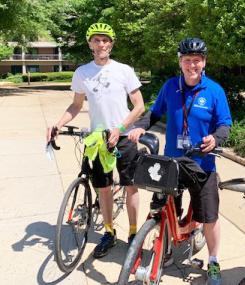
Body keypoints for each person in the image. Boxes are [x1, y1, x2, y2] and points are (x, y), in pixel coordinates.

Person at [128, 37, 231, 285]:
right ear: (180, 62)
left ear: (204, 62)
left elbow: (225, 124)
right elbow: (154, 111)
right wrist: (140, 128)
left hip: (201, 164)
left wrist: (216, 140)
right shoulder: (171, 86)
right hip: (172, 162)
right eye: (187, 60)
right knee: (162, 206)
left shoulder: (214, 90)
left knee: (209, 217)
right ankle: (165, 244)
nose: (192, 65)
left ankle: (214, 260)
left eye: (197, 60)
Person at [46, 23, 145, 258]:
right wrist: (58, 124)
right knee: (103, 188)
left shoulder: (124, 70)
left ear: (111, 43)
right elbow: (76, 105)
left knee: (131, 186)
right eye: (97, 40)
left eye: (105, 40)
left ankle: (132, 234)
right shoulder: (82, 72)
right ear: (90, 43)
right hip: (97, 140)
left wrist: (120, 127)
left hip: (122, 138)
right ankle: (109, 233)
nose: (102, 44)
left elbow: (139, 106)